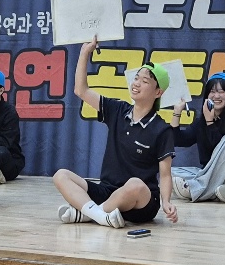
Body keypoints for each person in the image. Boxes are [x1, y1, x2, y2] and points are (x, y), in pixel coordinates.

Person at [52, 39, 178, 229]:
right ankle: (100, 215)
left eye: (145, 81)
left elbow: (165, 174)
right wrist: (85, 52)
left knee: (135, 184)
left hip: (141, 201)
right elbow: (81, 90)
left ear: (158, 92)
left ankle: (87, 213)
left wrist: (166, 201)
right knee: (61, 175)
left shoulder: (162, 129)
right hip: (108, 191)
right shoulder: (118, 110)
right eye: (136, 78)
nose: (137, 84)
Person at [170, 71, 225, 203]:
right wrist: (177, 112)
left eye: (221, 92)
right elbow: (179, 140)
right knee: (170, 172)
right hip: (210, 175)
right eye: (212, 92)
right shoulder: (200, 122)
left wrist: (210, 122)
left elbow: (221, 152)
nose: (216, 96)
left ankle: (197, 189)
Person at [0, 68, 25, 182]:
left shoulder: (9, 112)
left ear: (1, 90)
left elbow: (6, 144)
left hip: (8, 160)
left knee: (1, 152)